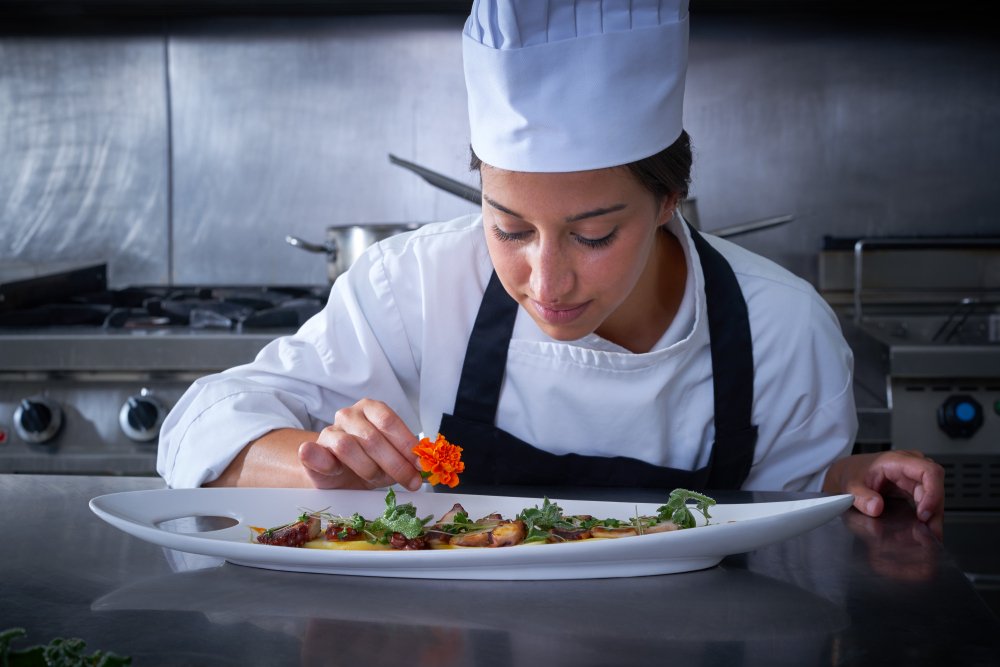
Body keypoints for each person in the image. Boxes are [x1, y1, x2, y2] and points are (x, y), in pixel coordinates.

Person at [157, 0, 944, 537]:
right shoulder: (417, 286)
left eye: (594, 234)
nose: (546, 281)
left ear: (669, 199)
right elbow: (199, 425)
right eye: (509, 227)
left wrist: (849, 486)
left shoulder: (783, 330)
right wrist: (320, 469)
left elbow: (797, 525)